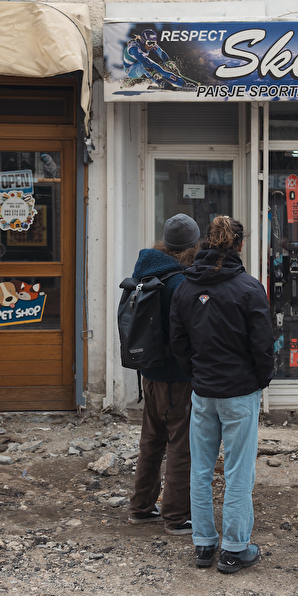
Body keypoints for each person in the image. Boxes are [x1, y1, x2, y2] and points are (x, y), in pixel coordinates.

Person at [170, 216, 274, 574]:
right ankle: (234, 548)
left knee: (200, 468)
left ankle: (203, 545)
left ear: (206, 243)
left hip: (204, 390)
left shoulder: (185, 287)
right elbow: (262, 344)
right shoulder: (248, 288)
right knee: (238, 471)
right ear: (240, 245)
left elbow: (178, 342)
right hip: (239, 391)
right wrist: (262, 379)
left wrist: (196, 374)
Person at [126, 213, 201, 535]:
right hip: (178, 379)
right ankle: (176, 515)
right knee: (182, 446)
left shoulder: (147, 273)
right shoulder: (181, 283)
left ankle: (141, 507)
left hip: (151, 375)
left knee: (152, 442)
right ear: (194, 245)